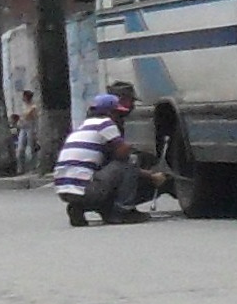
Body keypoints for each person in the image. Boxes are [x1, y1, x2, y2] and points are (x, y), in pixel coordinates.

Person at [53, 89, 160, 226]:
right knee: (131, 160)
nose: (120, 117)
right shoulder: (105, 123)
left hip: (65, 190)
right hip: (87, 189)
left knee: (112, 172)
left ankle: (79, 207)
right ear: (110, 112)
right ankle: (124, 211)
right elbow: (123, 154)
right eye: (118, 113)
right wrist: (149, 174)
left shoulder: (83, 127)